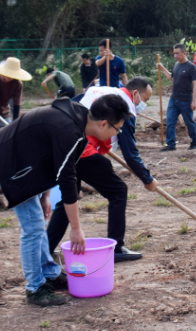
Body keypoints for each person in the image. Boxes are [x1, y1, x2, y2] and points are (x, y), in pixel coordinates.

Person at [0, 93, 129, 307]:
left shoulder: (78, 118)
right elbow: (67, 181)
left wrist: (44, 195)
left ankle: (49, 273)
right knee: (33, 227)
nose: (116, 134)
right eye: (117, 129)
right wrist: (76, 229)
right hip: (8, 163)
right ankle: (35, 288)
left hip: (23, 161)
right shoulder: (71, 130)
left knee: (38, 223)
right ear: (104, 124)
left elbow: (52, 162)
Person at [47, 77, 159, 263]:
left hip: (68, 148)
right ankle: (116, 246)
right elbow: (130, 153)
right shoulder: (124, 107)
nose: (144, 104)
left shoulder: (103, 91)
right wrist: (148, 179)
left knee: (68, 199)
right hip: (83, 150)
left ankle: (46, 249)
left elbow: (75, 104)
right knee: (118, 191)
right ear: (135, 94)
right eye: (145, 100)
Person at [156, 43, 196, 151]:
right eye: (174, 53)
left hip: (186, 100)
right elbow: (172, 78)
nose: (175, 56)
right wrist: (162, 69)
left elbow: (195, 84)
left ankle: (195, 142)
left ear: (184, 53)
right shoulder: (176, 65)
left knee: (189, 122)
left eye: (178, 53)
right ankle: (171, 144)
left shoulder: (191, 67)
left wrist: (194, 101)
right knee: (170, 122)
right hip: (173, 99)